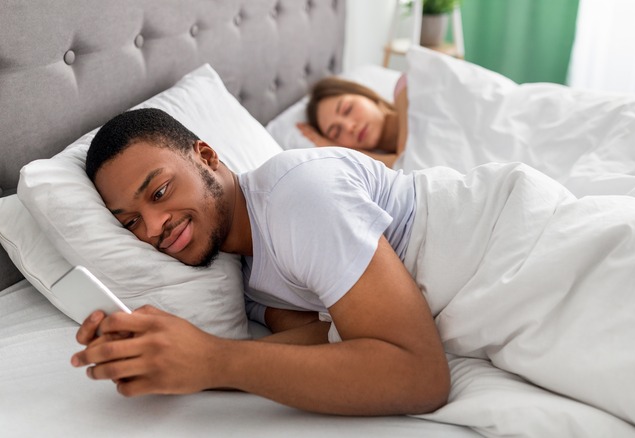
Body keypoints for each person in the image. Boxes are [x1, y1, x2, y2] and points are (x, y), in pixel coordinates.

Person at [71, 107, 450, 416]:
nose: (154, 228)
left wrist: (211, 360)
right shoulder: (251, 287)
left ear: (206, 156)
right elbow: (334, 339)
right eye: (131, 222)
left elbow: (420, 377)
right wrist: (160, 356)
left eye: (160, 191)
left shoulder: (297, 193)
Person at [296, 75, 409, 168]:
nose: (349, 127)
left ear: (365, 95)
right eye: (336, 133)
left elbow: (407, 165)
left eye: (347, 109)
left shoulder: (407, 88)